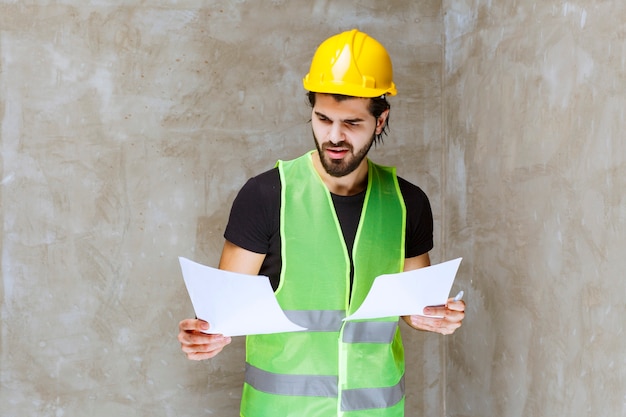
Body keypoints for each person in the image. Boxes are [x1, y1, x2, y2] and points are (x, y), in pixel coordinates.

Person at [178, 29, 465, 417]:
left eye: (351, 123)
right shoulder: (266, 197)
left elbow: (414, 308)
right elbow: (221, 317)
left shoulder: (407, 203)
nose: (333, 136)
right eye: (323, 118)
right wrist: (202, 337)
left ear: (381, 121)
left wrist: (435, 317)